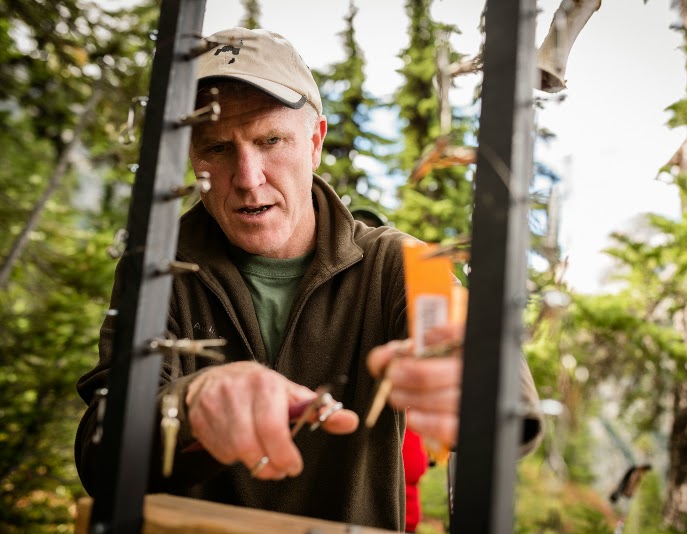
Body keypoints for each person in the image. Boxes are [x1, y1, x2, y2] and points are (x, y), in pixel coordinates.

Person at [75, 27, 540, 531]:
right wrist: (188, 405)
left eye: (271, 140)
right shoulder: (157, 269)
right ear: (191, 157)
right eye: (216, 148)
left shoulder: (402, 263)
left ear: (315, 141)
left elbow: (491, 372)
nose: (249, 178)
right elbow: (100, 455)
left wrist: (474, 381)